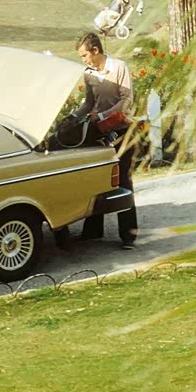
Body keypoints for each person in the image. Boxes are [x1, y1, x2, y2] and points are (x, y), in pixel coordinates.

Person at [72, 32, 138, 249]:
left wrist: (102, 115)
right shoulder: (88, 74)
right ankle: (93, 231)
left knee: (123, 181)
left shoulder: (119, 67)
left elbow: (126, 100)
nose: (84, 60)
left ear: (95, 50)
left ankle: (128, 235)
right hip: (99, 132)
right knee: (97, 179)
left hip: (121, 131)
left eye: (85, 56)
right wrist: (73, 117)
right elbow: (89, 102)